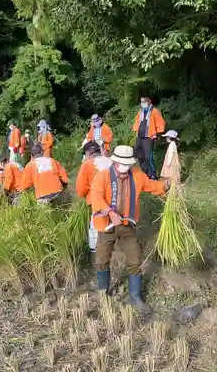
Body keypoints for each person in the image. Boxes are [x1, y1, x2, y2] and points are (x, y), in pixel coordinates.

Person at [90, 145, 169, 313]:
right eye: (122, 164)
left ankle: (135, 297)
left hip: (128, 226)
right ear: (115, 162)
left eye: (128, 165)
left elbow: (152, 186)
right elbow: (95, 197)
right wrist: (110, 213)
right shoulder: (102, 176)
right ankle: (103, 292)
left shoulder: (138, 176)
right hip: (107, 226)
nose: (125, 168)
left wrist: (167, 186)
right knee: (102, 260)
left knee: (135, 260)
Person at [75, 141, 112, 267]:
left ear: (88, 153)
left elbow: (81, 189)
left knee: (95, 229)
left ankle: (96, 257)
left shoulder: (87, 165)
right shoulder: (110, 161)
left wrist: (85, 194)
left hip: (98, 202)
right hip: (116, 200)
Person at [132, 96, 166, 179]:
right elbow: (137, 121)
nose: (142, 103)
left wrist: (156, 134)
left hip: (149, 137)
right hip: (140, 136)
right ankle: (145, 173)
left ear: (149, 102)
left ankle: (153, 175)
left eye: (144, 102)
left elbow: (160, 122)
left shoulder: (155, 111)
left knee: (148, 157)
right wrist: (135, 129)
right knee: (139, 155)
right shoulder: (141, 111)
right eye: (141, 102)